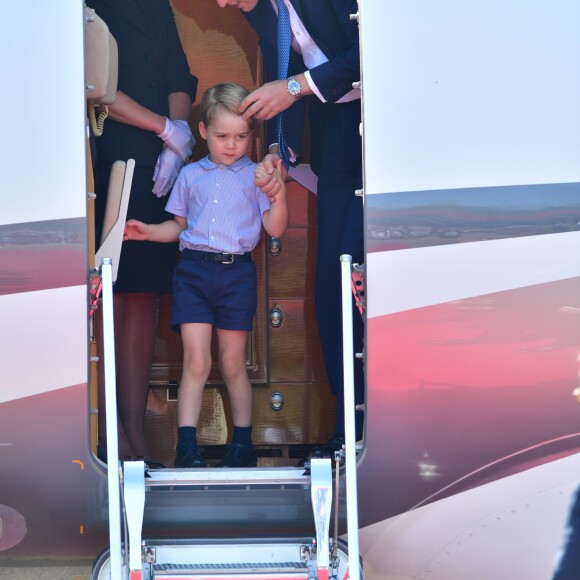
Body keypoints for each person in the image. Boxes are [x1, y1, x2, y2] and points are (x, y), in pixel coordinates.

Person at [215, 0, 365, 459]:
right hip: (337, 136)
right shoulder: (258, 8)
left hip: (387, 128)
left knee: (361, 279)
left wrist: (296, 86)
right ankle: (348, 428)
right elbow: (286, 73)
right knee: (333, 285)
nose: (222, 4)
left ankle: (374, 427)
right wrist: (284, 150)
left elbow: (376, 52)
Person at [124, 82, 289, 468]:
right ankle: (187, 449)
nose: (231, 145)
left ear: (251, 135)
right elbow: (179, 226)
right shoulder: (190, 175)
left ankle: (242, 447)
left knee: (232, 363)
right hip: (193, 274)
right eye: (221, 136)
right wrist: (149, 232)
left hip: (236, 275)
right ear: (203, 132)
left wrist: (279, 195)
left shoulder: (257, 176)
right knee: (196, 362)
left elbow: (276, 229)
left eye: (241, 136)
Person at [89, 0, 198, 468]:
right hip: (108, 154)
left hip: (156, 162)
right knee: (108, 290)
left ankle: (132, 430)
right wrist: (164, 129)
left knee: (143, 293)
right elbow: (94, 85)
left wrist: (177, 133)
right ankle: (105, 432)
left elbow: (177, 76)